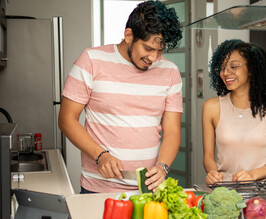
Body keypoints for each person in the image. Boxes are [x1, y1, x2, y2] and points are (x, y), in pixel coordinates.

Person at [58, 1, 183, 193]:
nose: (154, 58)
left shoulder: (170, 72)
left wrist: (163, 166)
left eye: (160, 50)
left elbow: (172, 131)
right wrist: (101, 156)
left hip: (148, 189)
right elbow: (67, 119)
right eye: (148, 48)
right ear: (129, 35)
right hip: (98, 188)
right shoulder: (91, 60)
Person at [202, 39, 266, 184]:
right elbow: (208, 157)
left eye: (233, 66)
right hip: (224, 191)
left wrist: (252, 175)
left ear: (252, 69)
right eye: (221, 68)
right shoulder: (211, 107)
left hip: (261, 193)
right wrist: (212, 172)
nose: (225, 73)